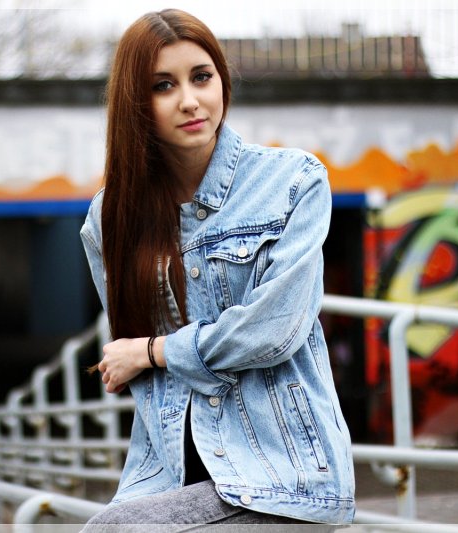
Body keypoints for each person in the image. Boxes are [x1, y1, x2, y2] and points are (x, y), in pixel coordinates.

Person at [79, 9, 355, 528]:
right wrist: (146, 353)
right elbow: (133, 352)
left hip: (283, 472)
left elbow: (274, 331)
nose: (190, 100)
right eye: (163, 85)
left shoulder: (292, 181)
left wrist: (154, 351)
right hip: (169, 472)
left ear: (222, 82)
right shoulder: (109, 217)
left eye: (201, 77)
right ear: (136, 103)